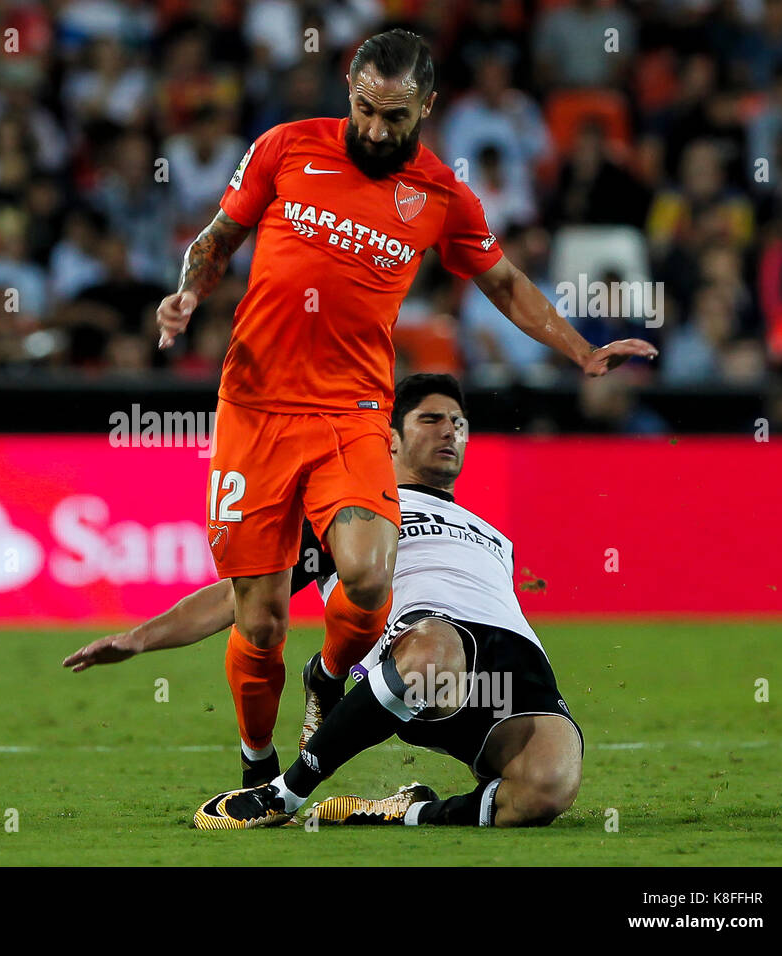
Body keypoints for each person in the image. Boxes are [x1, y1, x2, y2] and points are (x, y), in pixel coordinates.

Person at [151, 28, 652, 788]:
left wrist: (579, 349)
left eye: (396, 118)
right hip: (254, 406)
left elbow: (506, 282)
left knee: (369, 574)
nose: (378, 131)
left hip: (353, 412)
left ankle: (329, 675)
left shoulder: (441, 194)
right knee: (259, 619)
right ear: (349, 90)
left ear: (428, 108)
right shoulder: (286, 146)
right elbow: (219, 237)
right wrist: (190, 290)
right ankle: (257, 760)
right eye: (366, 111)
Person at [65, 374, 583, 830]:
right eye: (431, 419)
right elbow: (238, 595)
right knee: (433, 651)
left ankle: (399, 812)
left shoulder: (493, 534)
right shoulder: (350, 516)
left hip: (514, 659)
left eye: (459, 422)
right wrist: (136, 641)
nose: (451, 431)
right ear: (391, 439)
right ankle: (284, 791)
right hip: (423, 655)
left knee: (547, 788)